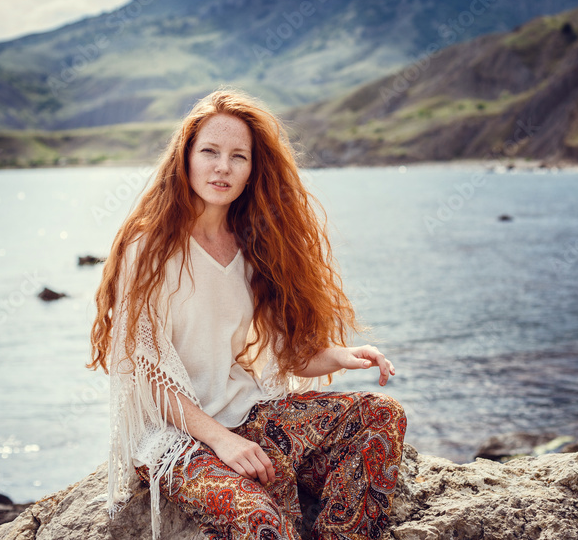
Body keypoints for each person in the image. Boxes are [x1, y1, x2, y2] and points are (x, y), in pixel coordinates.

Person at [87, 87, 406, 540]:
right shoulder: (149, 249)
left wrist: (341, 355)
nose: (223, 167)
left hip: (248, 415)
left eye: (238, 156)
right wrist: (221, 440)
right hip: (175, 440)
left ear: (253, 168)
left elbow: (282, 355)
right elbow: (147, 378)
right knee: (262, 521)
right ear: (185, 158)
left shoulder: (254, 246)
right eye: (210, 151)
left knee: (381, 413)